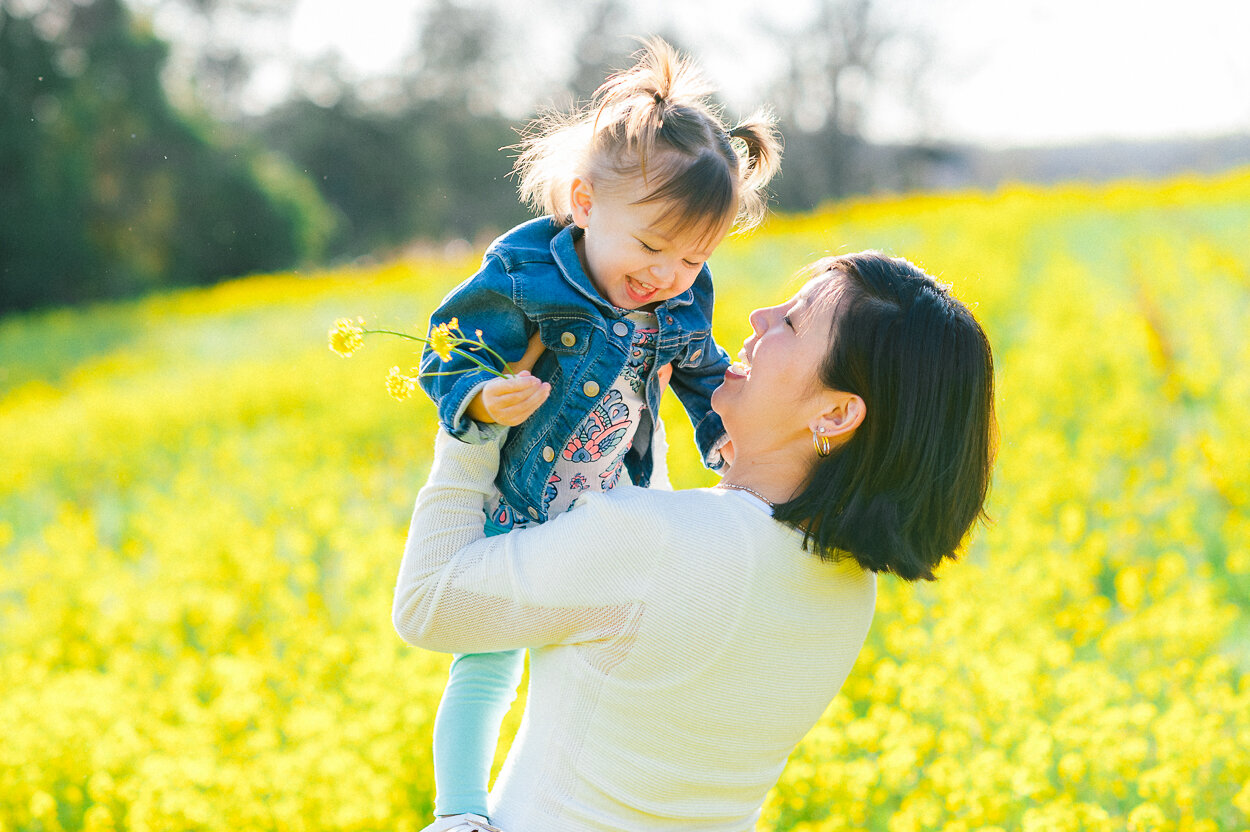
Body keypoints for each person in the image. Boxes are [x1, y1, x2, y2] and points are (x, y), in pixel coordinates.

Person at [394, 252, 998, 832]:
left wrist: (473, 420)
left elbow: (428, 606)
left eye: (791, 322)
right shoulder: (847, 590)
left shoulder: (655, 543)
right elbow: (675, 594)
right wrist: (638, 419)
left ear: (836, 414)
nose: (760, 318)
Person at [411, 37, 782, 832]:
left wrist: (726, 437)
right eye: (651, 248)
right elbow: (449, 347)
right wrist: (480, 399)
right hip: (520, 505)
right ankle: (461, 814)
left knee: (586, 674)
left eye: (694, 258)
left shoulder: (682, 296)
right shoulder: (525, 270)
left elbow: (700, 369)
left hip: (618, 504)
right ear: (583, 204)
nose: (669, 276)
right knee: (485, 668)